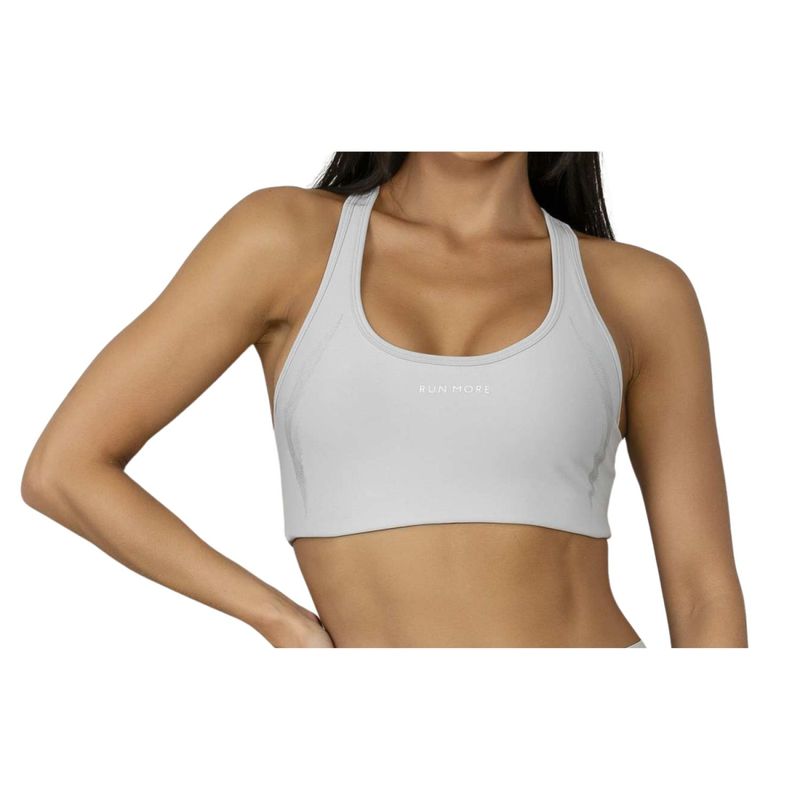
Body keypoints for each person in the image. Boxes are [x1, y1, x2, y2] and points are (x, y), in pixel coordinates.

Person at [21, 152, 747, 647]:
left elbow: (703, 592)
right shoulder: (284, 240)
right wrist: (281, 623)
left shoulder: (641, 292)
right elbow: (64, 469)